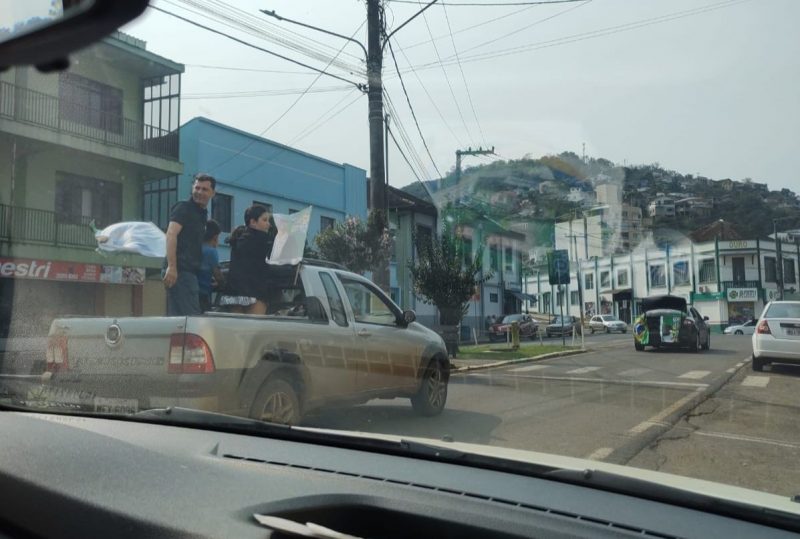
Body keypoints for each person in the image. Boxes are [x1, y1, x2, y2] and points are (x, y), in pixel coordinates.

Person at [163, 173, 215, 316]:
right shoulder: (184, 208)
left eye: (204, 189)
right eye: (197, 188)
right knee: (191, 319)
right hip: (181, 271)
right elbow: (171, 234)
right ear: (192, 188)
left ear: (212, 193)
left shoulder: (201, 214)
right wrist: (172, 267)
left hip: (188, 272)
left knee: (178, 320)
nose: (199, 192)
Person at [219, 205, 274, 315]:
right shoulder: (262, 239)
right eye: (264, 220)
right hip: (254, 292)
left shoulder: (238, 239)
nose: (269, 224)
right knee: (254, 330)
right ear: (253, 222)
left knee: (236, 331)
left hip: (232, 295)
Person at [198, 219, 224, 312]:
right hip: (203, 294)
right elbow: (218, 275)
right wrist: (224, 285)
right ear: (215, 237)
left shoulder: (196, 248)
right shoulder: (211, 251)